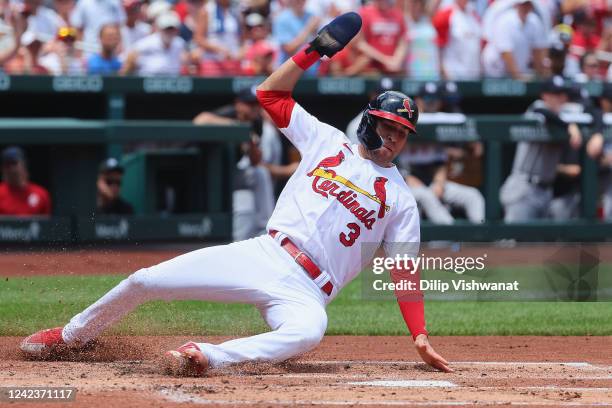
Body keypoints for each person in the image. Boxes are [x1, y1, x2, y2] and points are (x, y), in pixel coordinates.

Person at [20, 12, 451, 375]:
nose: (394, 137)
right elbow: (270, 93)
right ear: (369, 122)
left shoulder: (401, 198)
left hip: (310, 292)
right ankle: (72, 335)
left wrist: (420, 335)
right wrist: (314, 51)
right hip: (265, 254)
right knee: (145, 279)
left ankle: (207, 356)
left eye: (402, 132)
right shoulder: (327, 141)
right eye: (388, 126)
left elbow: (404, 270)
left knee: (308, 332)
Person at [398, 82, 485, 224]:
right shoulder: (404, 121)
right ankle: (451, 235)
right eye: (426, 98)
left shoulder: (444, 120)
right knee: (425, 196)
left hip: (433, 179)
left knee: (473, 196)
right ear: (418, 100)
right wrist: (407, 178)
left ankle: (483, 235)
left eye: (434, 99)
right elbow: (393, 163)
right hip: (406, 180)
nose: (431, 103)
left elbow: (440, 163)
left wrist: (439, 183)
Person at [500, 76, 583, 222]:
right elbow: (543, 113)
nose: (561, 98)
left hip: (546, 191)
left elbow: (591, 112)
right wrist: (569, 126)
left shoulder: (565, 114)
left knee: (540, 244)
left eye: (563, 94)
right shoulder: (536, 108)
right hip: (524, 188)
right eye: (556, 94)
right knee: (513, 241)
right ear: (545, 95)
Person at [482, 0, 548, 79]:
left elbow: (538, 50)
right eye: (523, 5)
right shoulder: (505, 21)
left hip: (518, 70)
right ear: (517, 5)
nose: (525, 7)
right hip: (496, 71)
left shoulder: (534, 22)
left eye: (528, 5)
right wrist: (518, 76)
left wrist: (540, 76)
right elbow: (506, 53)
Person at [121, 11, 188, 76]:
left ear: (177, 30)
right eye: (166, 29)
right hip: (147, 82)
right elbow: (130, 55)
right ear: (159, 29)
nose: (169, 32)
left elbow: (186, 60)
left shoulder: (179, 43)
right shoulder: (148, 42)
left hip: (173, 82)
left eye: (172, 29)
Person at [432, 0, 481, 80]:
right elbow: (438, 48)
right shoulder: (445, 14)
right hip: (454, 77)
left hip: (474, 77)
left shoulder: (474, 14)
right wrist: (444, 74)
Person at [356, 0, 407, 75]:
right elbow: (360, 43)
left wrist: (396, 60)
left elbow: (402, 42)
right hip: (372, 70)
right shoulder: (364, 13)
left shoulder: (398, 14)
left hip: (394, 70)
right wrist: (385, 60)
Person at [273, 0, 320, 77]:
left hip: (310, 72)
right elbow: (289, 49)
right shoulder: (282, 19)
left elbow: (318, 44)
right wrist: (308, 29)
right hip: (289, 73)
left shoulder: (311, 16)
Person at [0, 146, 51, 216]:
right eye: (7, 165)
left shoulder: (40, 194)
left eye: (14, 163)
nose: (11, 169)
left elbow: (47, 224)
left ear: (23, 165)